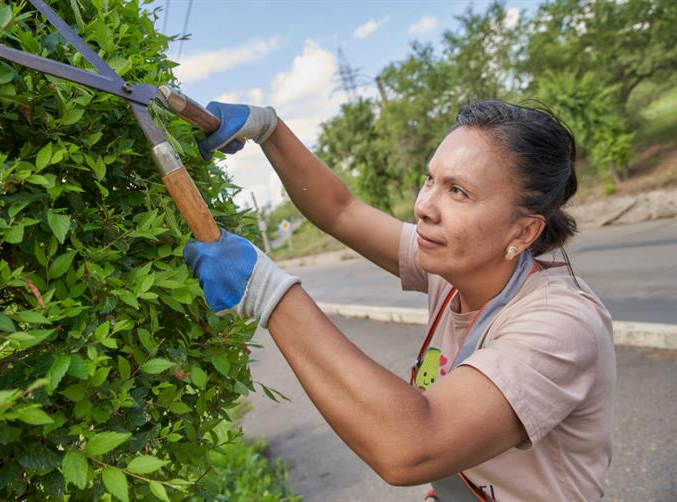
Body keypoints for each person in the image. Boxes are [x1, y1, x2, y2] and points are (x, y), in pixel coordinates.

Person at [184, 100, 616, 501]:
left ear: (522, 233)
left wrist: (267, 294)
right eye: (431, 179)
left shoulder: (560, 323)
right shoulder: (452, 267)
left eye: (459, 192)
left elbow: (413, 446)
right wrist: (271, 130)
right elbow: (341, 211)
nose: (425, 206)